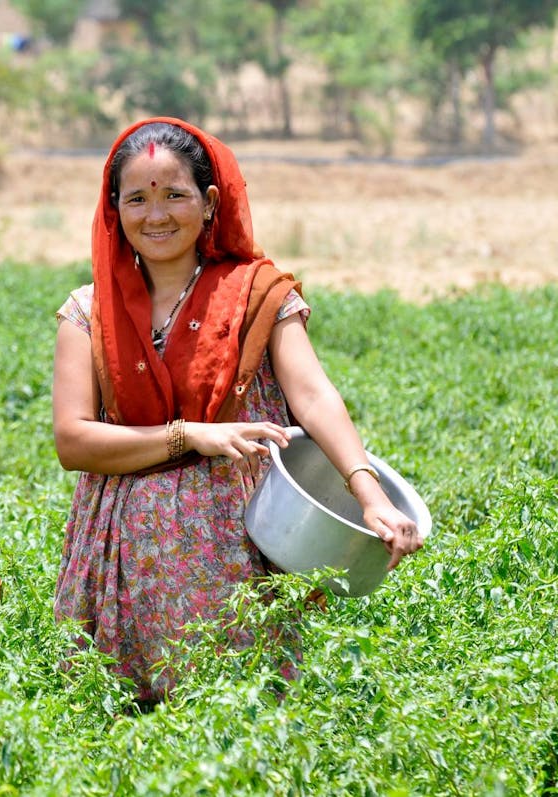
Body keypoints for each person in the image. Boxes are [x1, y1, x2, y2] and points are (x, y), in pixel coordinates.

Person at [50, 117, 423, 703]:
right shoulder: (87, 311)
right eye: (137, 199)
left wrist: (368, 493)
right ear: (113, 209)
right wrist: (189, 436)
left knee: (245, 713)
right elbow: (73, 441)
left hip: (238, 550)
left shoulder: (258, 295)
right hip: (119, 557)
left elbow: (314, 395)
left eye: (175, 195)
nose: (156, 215)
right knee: (121, 730)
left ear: (210, 203)